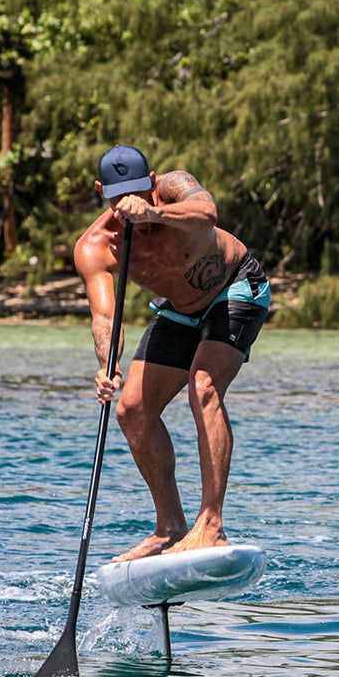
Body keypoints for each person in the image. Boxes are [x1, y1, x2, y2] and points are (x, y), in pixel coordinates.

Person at [74, 145, 270, 561]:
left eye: (139, 191)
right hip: (179, 310)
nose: (129, 203)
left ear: (152, 181)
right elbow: (105, 318)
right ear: (101, 192)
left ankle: (211, 526)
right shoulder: (95, 247)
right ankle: (169, 527)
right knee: (131, 410)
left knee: (204, 385)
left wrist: (154, 213)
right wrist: (108, 366)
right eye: (118, 196)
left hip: (235, 287)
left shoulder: (175, 187)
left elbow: (207, 213)